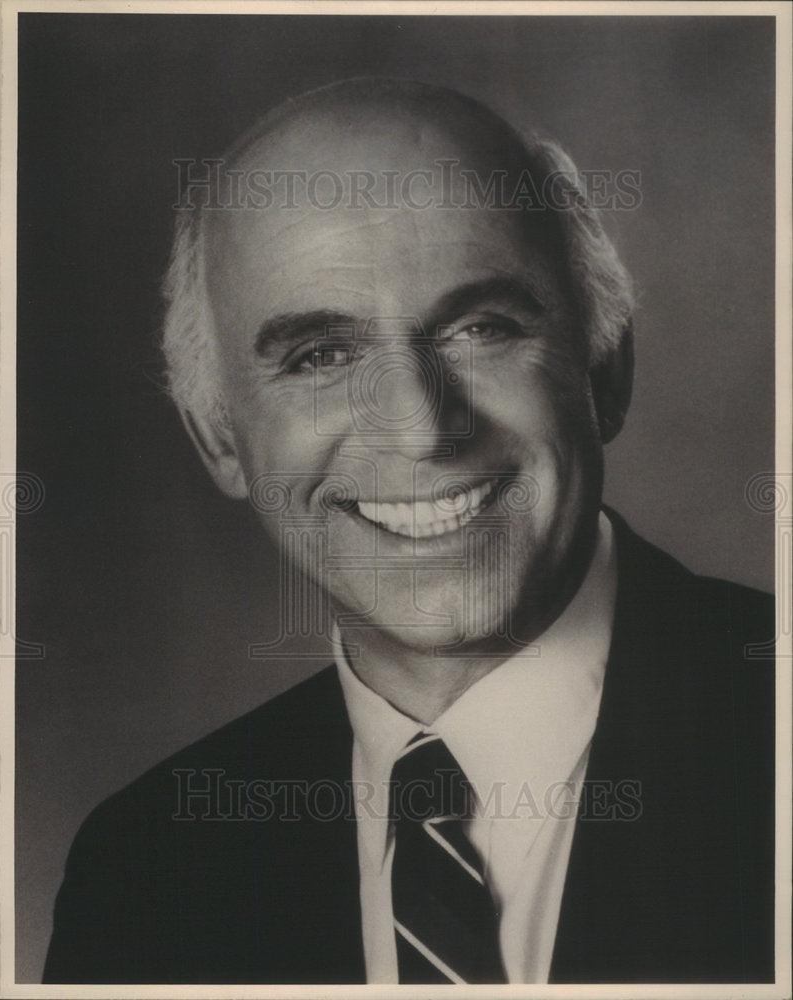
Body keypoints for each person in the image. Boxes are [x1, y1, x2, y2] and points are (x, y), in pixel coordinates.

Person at [43, 77, 774, 985]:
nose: (422, 428)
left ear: (604, 368)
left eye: (480, 328)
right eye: (322, 355)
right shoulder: (145, 871)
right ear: (219, 438)